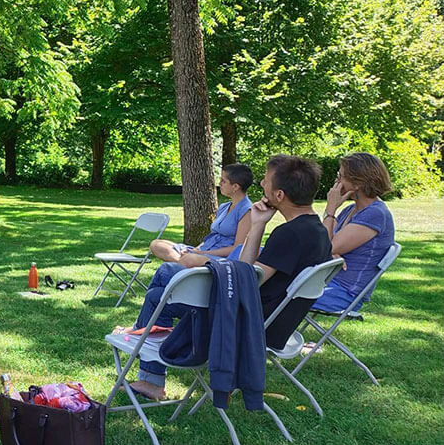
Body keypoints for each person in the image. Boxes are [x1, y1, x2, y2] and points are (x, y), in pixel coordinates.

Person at [126, 155, 332, 401]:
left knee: (156, 297)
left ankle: (152, 380)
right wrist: (257, 225)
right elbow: (246, 270)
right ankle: (151, 360)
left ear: (279, 195)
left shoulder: (290, 234)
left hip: (248, 323)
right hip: (272, 323)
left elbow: (248, 281)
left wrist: (208, 264)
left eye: (265, 182)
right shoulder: (316, 230)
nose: (261, 186)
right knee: (167, 285)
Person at [312, 152, 395, 313]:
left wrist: (330, 209)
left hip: (342, 293)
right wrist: (331, 253)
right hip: (325, 280)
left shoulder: (375, 214)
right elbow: (320, 242)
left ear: (357, 183)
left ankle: (266, 337)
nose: (337, 181)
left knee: (274, 290)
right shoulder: (351, 209)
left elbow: (325, 247)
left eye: (341, 176)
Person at [150, 164, 254, 264]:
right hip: (204, 251)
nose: (220, 183)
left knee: (189, 259)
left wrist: (202, 253)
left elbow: (238, 248)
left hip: (219, 258)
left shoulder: (246, 211)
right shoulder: (224, 207)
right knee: (157, 244)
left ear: (235, 187)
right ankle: (183, 263)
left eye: (223, 181)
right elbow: (212, 236)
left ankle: (186, 263)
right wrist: (197, 249)